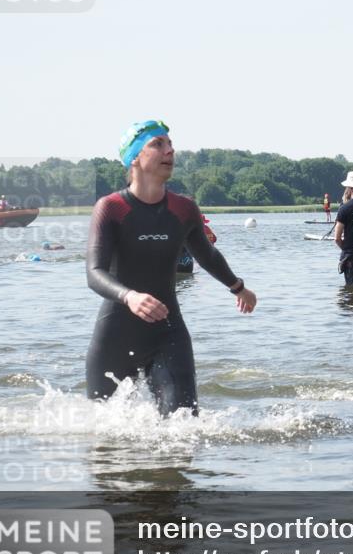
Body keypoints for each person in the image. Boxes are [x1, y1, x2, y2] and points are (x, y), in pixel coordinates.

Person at [86, 120, 257, 416]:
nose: (170, 150)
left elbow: (207, 256)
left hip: (168, 334)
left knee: (184, 424)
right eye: (158, 144)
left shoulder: (183, 208)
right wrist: (130, 297)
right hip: (115, 335)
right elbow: (94, 273)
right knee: (103, 435)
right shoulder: (111, 208)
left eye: (171, 144)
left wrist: (238, 287)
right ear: (135, 158)